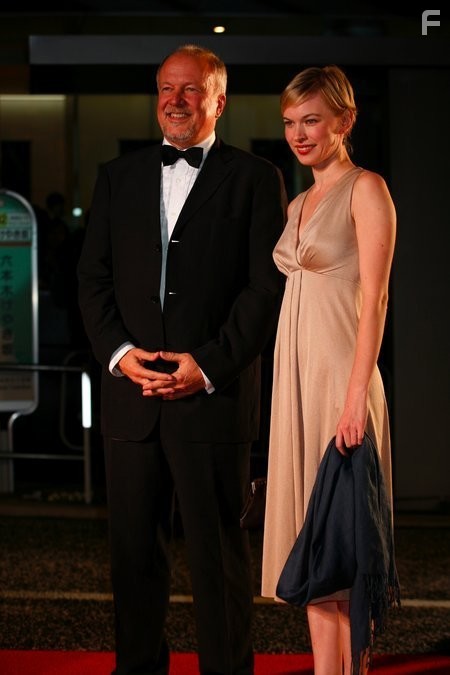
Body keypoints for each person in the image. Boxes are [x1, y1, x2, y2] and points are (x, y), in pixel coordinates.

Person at [77, 44, 287, 675]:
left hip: (213, 398)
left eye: (190, 89)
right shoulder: (117, 177)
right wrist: (120, 355)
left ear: (218, 101)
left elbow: (265, 289)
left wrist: (211, 364)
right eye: (166, 88)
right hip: (131, 397)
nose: (175, 100)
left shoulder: (256, 179)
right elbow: (92, 278)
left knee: (218, 561)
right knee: (133, 558)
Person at [261, 65, 397, 675]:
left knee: (346, 543)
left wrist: (353, 398)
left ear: (345, 120)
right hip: (297, 382)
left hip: (342, 381)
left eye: (311, 120)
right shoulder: (297, 203)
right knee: (312, 549)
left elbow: (376, 299)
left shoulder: (366, 189)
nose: (298, 133)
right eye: (290, 122)